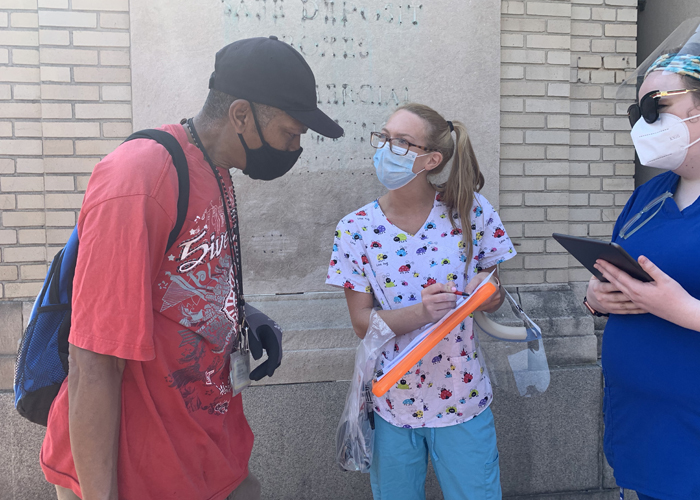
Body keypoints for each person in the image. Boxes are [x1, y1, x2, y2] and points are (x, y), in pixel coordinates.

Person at [40, 36, 343, 500]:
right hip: (142, 472)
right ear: (241, 114)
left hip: (206, 452)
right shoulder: (140, 178)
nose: (295, 147)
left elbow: (181, 281)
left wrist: (240, 315)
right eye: (291, 132)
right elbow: (93, 361)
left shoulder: (214, 165)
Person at [326, 103, 516, 500]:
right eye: (385, 137)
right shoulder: (355, 230)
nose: (385, 148)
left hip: (462, 398)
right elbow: (361, 323)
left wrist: (488, 293)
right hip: (392, 401)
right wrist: (421, 312)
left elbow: (494, 297)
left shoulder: (470, 213)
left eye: (402, 142)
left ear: (431, 159)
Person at [584, 22, 700, 500]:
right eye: (638, 110)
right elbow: (622, 274)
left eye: (658, 106)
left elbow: (672, 302)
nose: (644, 123)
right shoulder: (649, 196)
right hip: (642, 428)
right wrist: (597, 298)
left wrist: (684, 310)